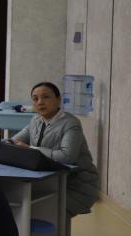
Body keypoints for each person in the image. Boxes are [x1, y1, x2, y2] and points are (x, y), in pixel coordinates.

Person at [10, 82, 99, 217]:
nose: (40, 102)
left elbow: (66, 157)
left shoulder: (71, 123)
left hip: (75, 185)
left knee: (31, 211)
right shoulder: (36, 120)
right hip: (49, 180)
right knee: (14, 201)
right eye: (35, 99)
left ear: (58, 99)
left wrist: (31, 149)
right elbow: (14, 142)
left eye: (46, 97)